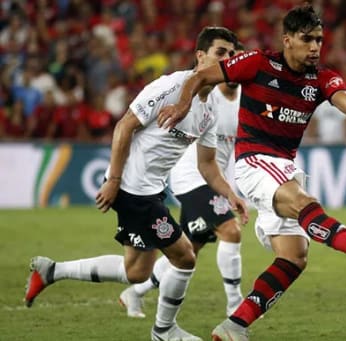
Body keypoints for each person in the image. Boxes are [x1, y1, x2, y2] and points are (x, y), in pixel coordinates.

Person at [157, 6, 346, 341]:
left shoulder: (322, 78)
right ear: (287, 40)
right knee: (302, 200)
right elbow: (200, 76)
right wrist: (182, 106)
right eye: (307, 39)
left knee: (294, 258)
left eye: (319, 40)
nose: (315, 47)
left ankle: (234, 326)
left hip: (284, 165)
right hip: (253, 162)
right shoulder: (257, 63)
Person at [24, 27, 248, 341]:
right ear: (200, 55)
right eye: (220, 52)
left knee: (137, 271)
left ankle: (51, 271)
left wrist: (230, 194)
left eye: (232, 54)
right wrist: (114, 180)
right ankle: (164, 331)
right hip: (132, 189)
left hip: (151, 189)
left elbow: (207, 165)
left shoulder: (209, 109)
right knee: (184, 256)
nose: (227, 59)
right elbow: (124, 126)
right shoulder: (171, 86)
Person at [119, 44, 245, 320]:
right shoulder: (207, 92)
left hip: (211, 180)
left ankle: (136, 292)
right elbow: (190, 83)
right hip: (190, 177)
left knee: (188, 251)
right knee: (231, 230)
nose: (231, 63)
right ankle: (235, 304)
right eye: (226, 57)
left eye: (237, 59)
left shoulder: (244, 100)